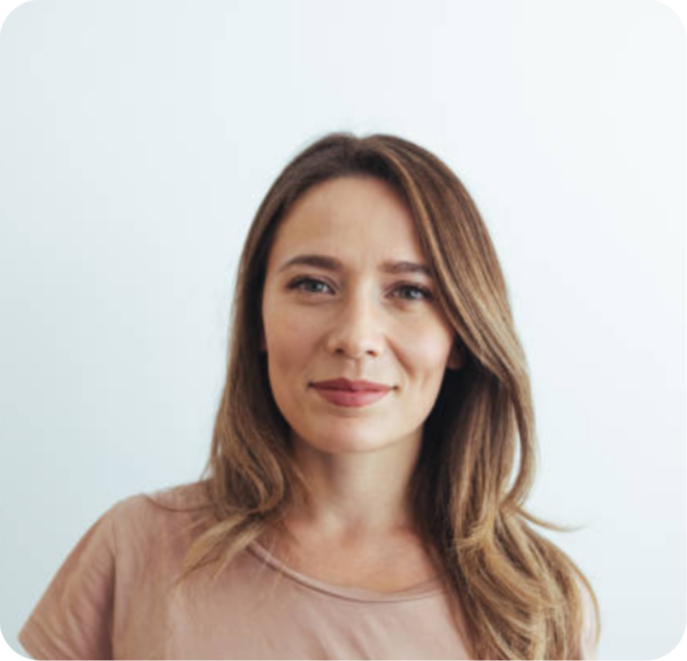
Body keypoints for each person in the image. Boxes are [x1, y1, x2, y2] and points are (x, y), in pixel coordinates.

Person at [18, 132, 600, 661]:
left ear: (462, 335)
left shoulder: (536, 603)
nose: (356, 337)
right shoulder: (135, 550)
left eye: (409, 291)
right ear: (257, 319)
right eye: (314, 285)